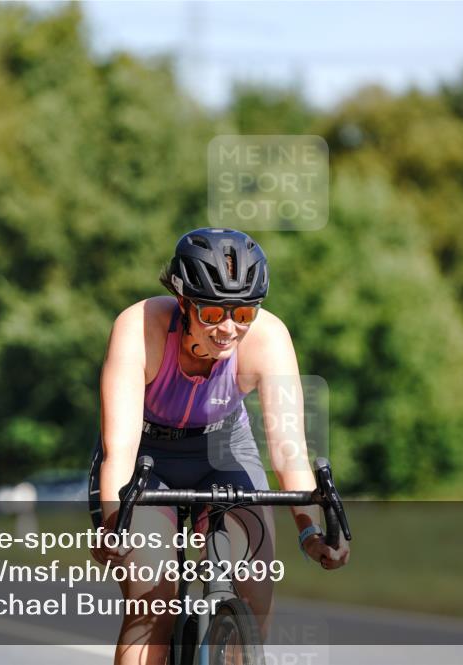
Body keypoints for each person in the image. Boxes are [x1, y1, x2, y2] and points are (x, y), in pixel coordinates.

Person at [88, 227, 350, 665]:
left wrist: (309, 529)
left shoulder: (269, 339)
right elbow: (120, 451)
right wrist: (115, 523)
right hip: (147, 457)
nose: (229, 330)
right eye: (212, 313)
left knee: (255, 589)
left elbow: (289, 450)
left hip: (225, 448)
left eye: (244, 314)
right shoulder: (138, 328)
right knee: (154, 601)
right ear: (183, 302)